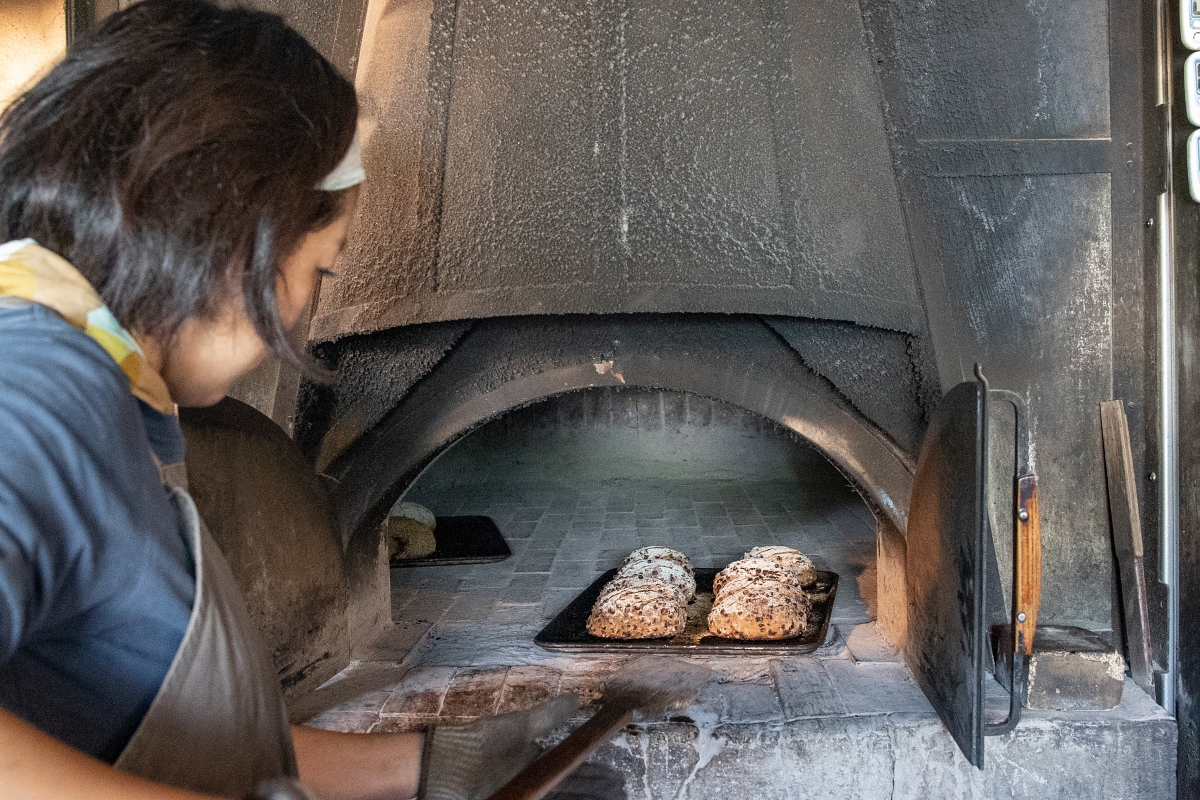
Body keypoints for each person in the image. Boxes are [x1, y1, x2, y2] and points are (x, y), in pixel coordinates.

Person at [0, 2, 621, 799]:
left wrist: (428, 767)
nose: (305, 310)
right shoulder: (39, 383)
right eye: (321, 270)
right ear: (235, 232)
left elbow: (123, 725)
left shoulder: (104, 387)